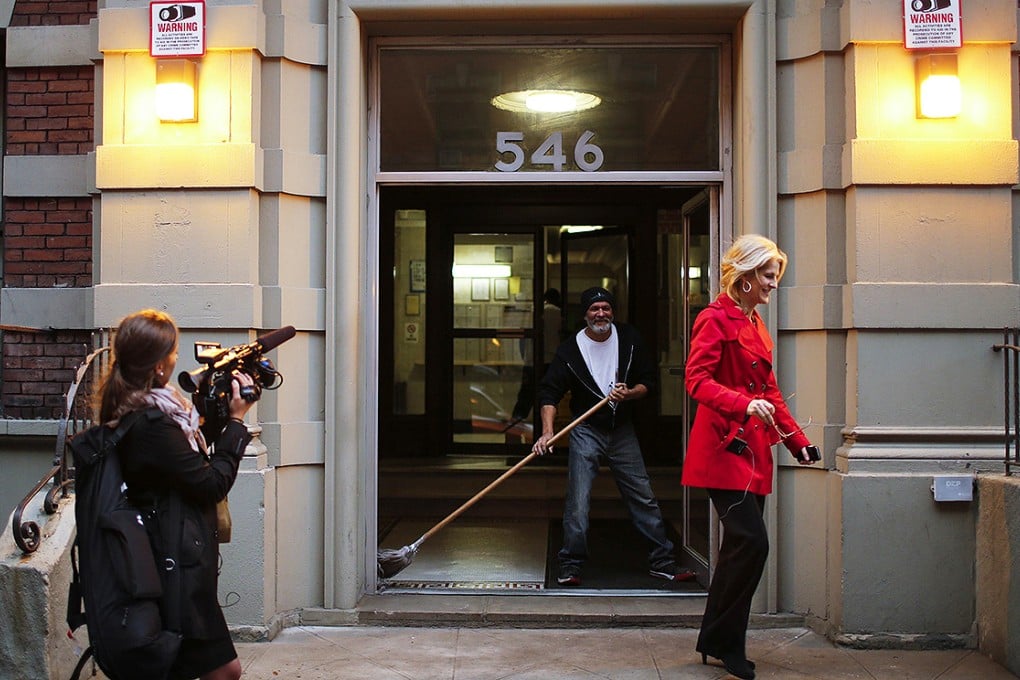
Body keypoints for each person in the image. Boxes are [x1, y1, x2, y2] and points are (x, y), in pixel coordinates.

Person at [682, 235, 817, 680]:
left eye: (775, 275)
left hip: (752, 450)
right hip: (722, 449)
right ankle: (724, 643)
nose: (773, 284)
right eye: (767, 275)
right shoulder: (713, 319)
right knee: (752, 542)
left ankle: (716, 641)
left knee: (742, 547)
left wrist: (798, 440)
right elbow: (696, 381)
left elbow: (770, 390)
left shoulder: (755, 323)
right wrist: (741, 405)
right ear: (743, 277)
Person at [96, 309, 255, 680]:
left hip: (174, 558)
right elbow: (209, 484)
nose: (176, 358)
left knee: (188, 669)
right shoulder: (152, 423)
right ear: (160, 367)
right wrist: (235, 423)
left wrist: (215, 411)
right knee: (221, 670)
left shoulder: (155, 409)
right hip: (173, 567)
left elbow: (183, 462)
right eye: (173, 352)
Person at [532, 286, 696, 586]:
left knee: (643, 496)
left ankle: (663, 562)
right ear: (585, 315)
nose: (601, 313)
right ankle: (570, 564)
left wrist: (629, 393)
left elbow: (648, 382)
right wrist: (547, 432)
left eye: (606, 308)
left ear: (612, 311)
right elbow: (549, 392)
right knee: (578, 501)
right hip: (586, 430)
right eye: (594, 309)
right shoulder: (570, 349)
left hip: (622, 431)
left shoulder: (630, 339)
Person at [511, 287, 563, 422]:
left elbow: (524, 337)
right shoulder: (559, 314)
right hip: (551, 360)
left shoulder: (536, 312)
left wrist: (525, 357)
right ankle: (545, 423)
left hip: (532, 359)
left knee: (526, 395)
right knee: (548, 394)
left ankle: (516, 423)